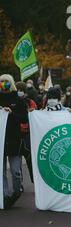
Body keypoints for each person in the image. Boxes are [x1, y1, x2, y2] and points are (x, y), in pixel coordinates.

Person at [0, 75, 28, 209]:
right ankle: (5, 196)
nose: (3, 84)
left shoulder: (19, 100)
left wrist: (11, 113)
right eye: (1, 82)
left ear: (10, 83)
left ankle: (17, 191)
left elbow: (24, 118)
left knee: (16, 171)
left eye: (5, 81)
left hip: (14, 141)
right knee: (1, 172)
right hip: (1, 141)